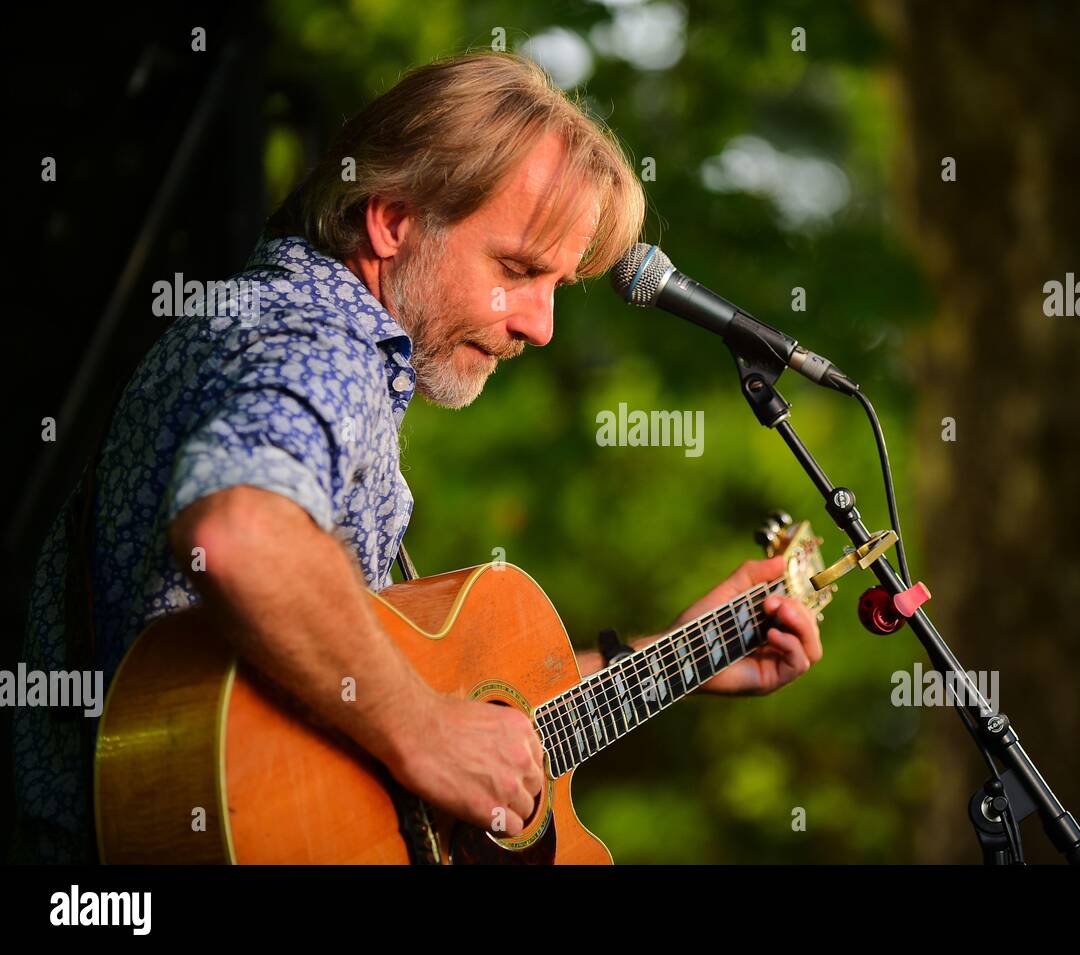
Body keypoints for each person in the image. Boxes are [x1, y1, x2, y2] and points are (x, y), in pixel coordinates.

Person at [10, 51, 822, 863]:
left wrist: (666, 655)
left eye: (557, 285)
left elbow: (393, 712)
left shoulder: (288, 328)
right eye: (516, 269)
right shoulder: (321, 346)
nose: (539, 325)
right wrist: (424, 730)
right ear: (392, 219)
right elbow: (240, 533)